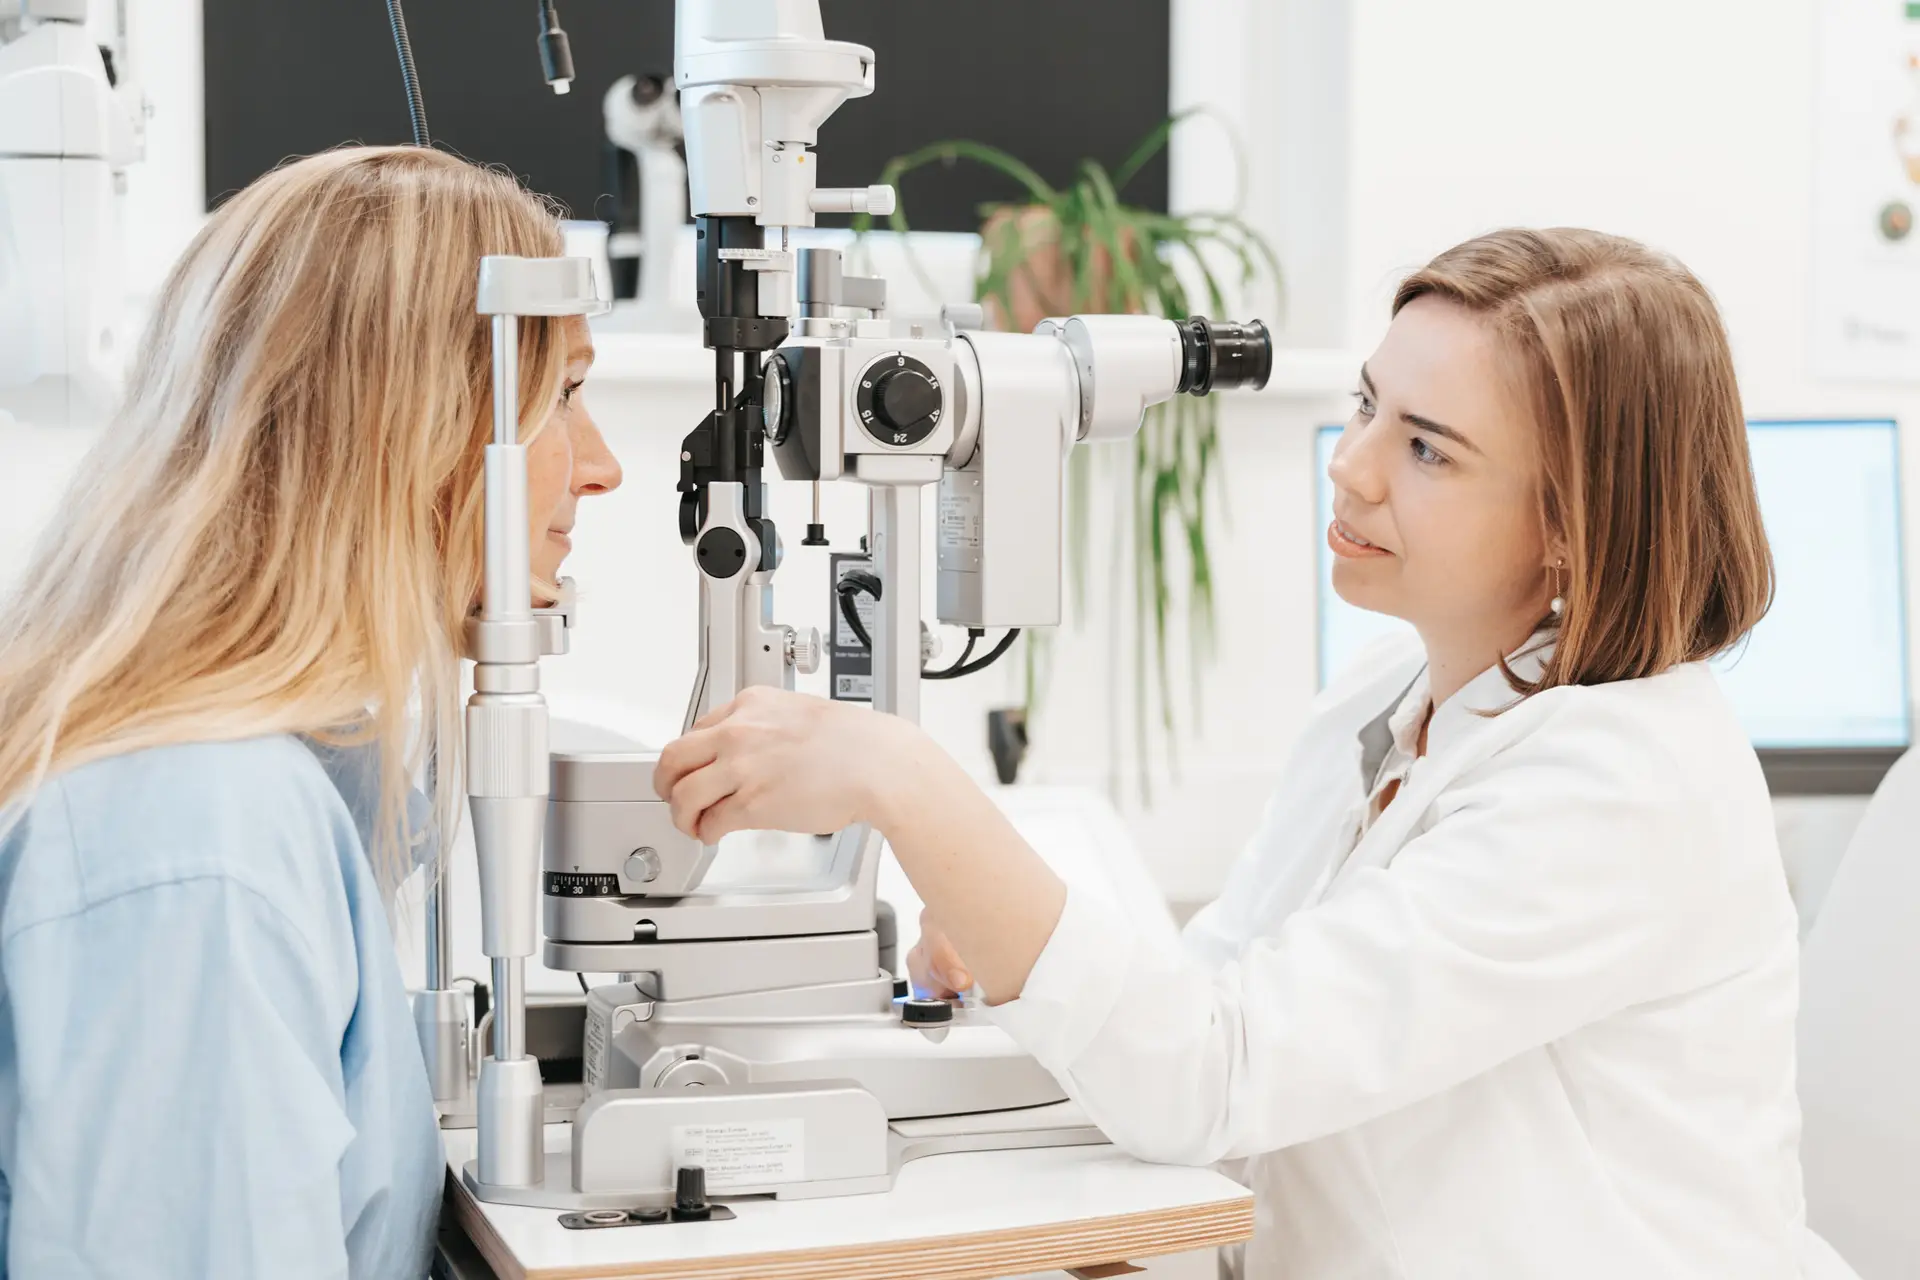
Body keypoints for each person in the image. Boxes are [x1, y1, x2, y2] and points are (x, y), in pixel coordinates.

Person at [654, 229, 1849, 1276]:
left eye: (1428, 448)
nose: (1353, 463)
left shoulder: (1624, 784)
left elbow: (1209, 1072)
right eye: (1373, 403)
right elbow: (1222, 1012)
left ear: (1576, 528)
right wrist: (1013, 941)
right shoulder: (1388, 697)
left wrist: (901, 777)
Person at [0, 146, 621, 1277]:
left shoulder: (280, 780)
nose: (603, 467)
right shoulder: (197, 843)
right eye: (565, 394)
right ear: (416, 423)